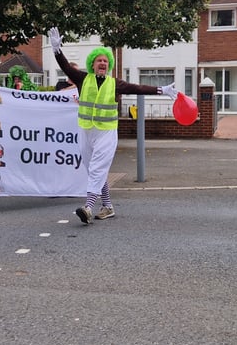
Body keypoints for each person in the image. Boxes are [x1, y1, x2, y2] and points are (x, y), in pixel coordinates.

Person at [48, 27, 177, 224]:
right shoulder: (83, 79)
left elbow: (138, 88)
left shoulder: (114, 83)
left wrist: (162, 90)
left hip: (106, 133)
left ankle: (88, 207)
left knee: (98, 168)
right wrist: (56, 49)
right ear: (93, 63)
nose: (102, 63)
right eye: (99, 60)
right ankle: (107, 206)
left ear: (109, 65)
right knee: (93, 170)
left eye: (105, 61)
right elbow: (66, 67)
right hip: (86, 131)